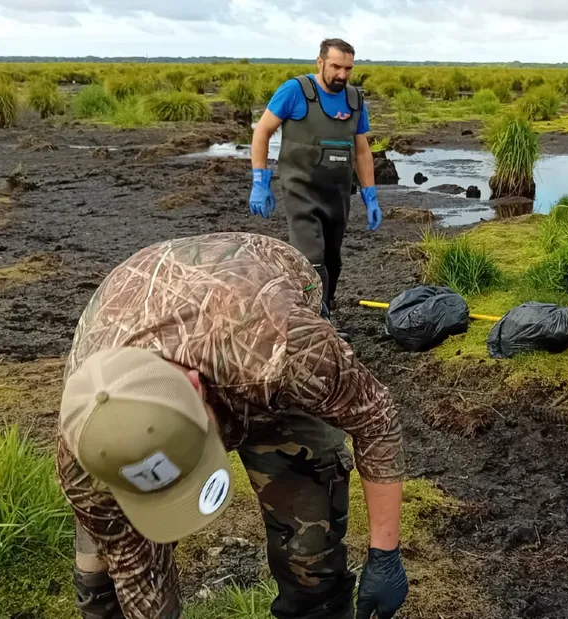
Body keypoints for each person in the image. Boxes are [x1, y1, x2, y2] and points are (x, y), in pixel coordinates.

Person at [56, 232, 408, 619]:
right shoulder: (87, 448)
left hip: (255, 313)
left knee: (310, 559)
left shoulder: (286, 349)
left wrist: (385, 554)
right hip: (146, 309)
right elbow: (140, 575)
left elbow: (375, 416)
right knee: (103, 589)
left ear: (194, 386)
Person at [249, 37, 382, 322]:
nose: (342, 75)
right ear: (320, 62)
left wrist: (370, 195)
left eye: (348, 68)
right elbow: (262, 132)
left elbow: (362, 150)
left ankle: (323, 310)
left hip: (337, 193)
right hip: (301, 191)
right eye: (336, 66)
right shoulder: (295, 91)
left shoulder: (354, 100)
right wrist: (260, 180)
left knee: (333, 262)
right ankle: (315, 323)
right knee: (311, 258)